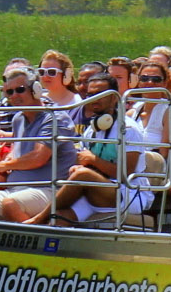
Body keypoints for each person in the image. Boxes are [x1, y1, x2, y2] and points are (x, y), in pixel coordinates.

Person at [23, 73, 153, 225]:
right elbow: (85, 165)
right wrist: (77, 167)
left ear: (113, 97)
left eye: (99, 94)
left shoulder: (129, 129)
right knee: (59, 218)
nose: (94, 99)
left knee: (83, 175)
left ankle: (38, 218)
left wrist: (93, 161)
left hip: (130, 194)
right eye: (90, 94)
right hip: (96, 190)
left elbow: (126, 173)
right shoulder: (91, 131)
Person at [0, 65, 78, 222]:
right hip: (15, 190)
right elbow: (15, 156)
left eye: (20, 90)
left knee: (11, 204)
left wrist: (8, 165)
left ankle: (35, 239)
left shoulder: (54, 118)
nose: (14, 95)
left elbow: (38, 157)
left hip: (48, 189)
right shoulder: (18, 119)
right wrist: (4, 161)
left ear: (36, 89)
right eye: (9, 92)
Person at [126, 59, 171, 152]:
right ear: (138, 82)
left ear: (164, 83)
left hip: (155, 161)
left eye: (156, 79)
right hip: (132, 159)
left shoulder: (168, 110)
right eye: (144, 78)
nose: (150, 82)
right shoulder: (134, 110)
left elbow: (165, 151)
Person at [36, 49, 83, 128]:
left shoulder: (77, 102)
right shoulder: (37, 100)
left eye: (51, 72)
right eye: (41, 72)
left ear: (66, 74)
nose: (45, 76)